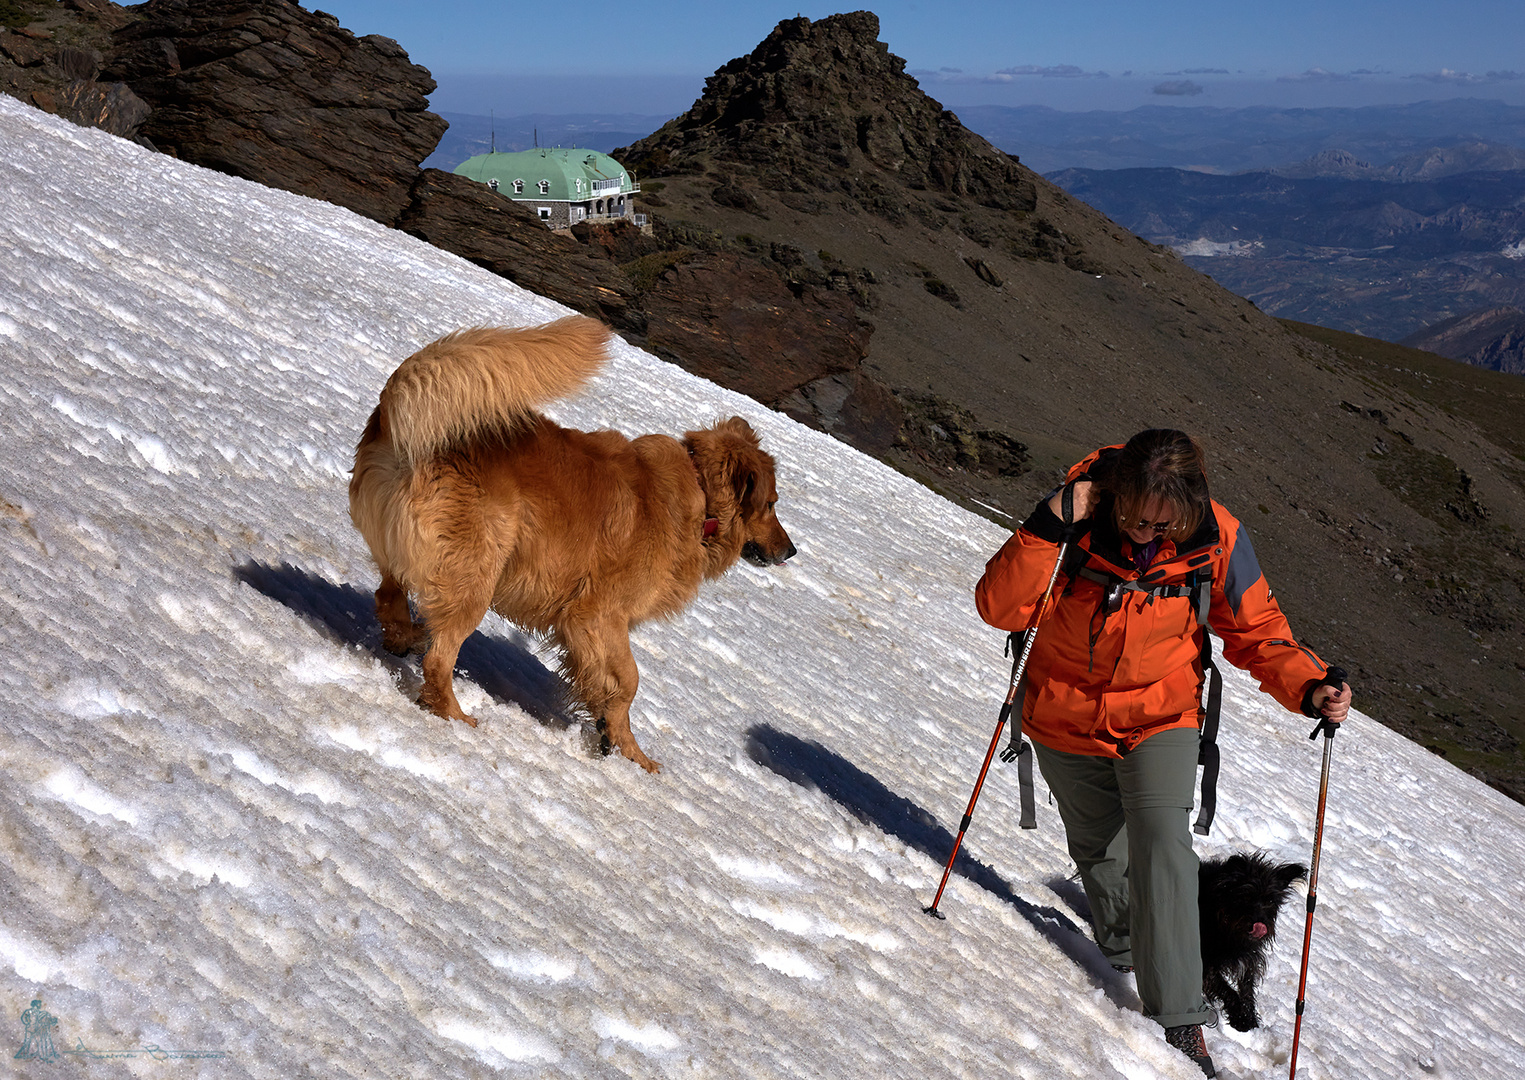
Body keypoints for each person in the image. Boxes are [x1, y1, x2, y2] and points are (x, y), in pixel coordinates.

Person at [974, 429, 1351, 1078]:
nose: (1147, 530)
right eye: (1133, 514)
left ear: (1191, 505)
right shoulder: (1072, 519)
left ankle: (1180, 1019)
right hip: (1063, 716)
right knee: (1100, 850)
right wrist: (1045, 525)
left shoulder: (1218, 538)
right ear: (1115, 493)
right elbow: (1000, 606)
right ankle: (1122, 948)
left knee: (1164, 847)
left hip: (1162, 716)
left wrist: (1310, 684)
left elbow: (1258, 630)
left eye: (1164, 520)